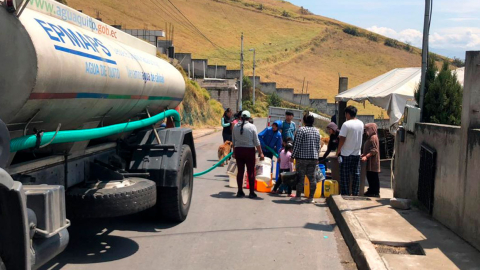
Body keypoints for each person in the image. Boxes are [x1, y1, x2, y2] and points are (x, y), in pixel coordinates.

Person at [232, 110, 265, 199]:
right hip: (249, 151)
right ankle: (251, 192)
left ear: (241, 117)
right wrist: (261, 153)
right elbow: (257, 142)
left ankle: (239, 191)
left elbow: (234, 141)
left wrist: (234, 152)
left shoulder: (235, 127)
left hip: (239, 150)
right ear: (249, 118)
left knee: (240, 171)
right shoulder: (252, 127)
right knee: (250, 171)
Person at [290, 114, 320, 203]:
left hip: (302, 158)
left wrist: (293, 156)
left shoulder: (301, 130)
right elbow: (318, 146)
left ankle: (298, 196)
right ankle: (311, 197)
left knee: (300, 177)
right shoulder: (316, 131)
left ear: (304, 121)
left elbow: (297, 145)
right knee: (312, 178)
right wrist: (317, 156)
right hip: (313, 158)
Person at [337, 106, 364, 196]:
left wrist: (338, 150)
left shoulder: (346, 124)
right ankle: (355, 193)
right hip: (357, 153)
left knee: (345, 175)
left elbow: (342, 138)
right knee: (356, 173)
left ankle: (345, 193)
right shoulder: (361, 123)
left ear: (347, 114)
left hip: (346, 153)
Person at [362, 123, 381, 197]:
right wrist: (364, 154)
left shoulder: (373, 137)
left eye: (367, 129)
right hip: (369, 161)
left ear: (372, 129)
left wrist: (366, 156)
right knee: (370, 176)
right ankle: (371, 190)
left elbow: (374, 150)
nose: (366, 131)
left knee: (373, 176)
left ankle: (375, 192)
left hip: (372, 162)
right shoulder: (370, 137)